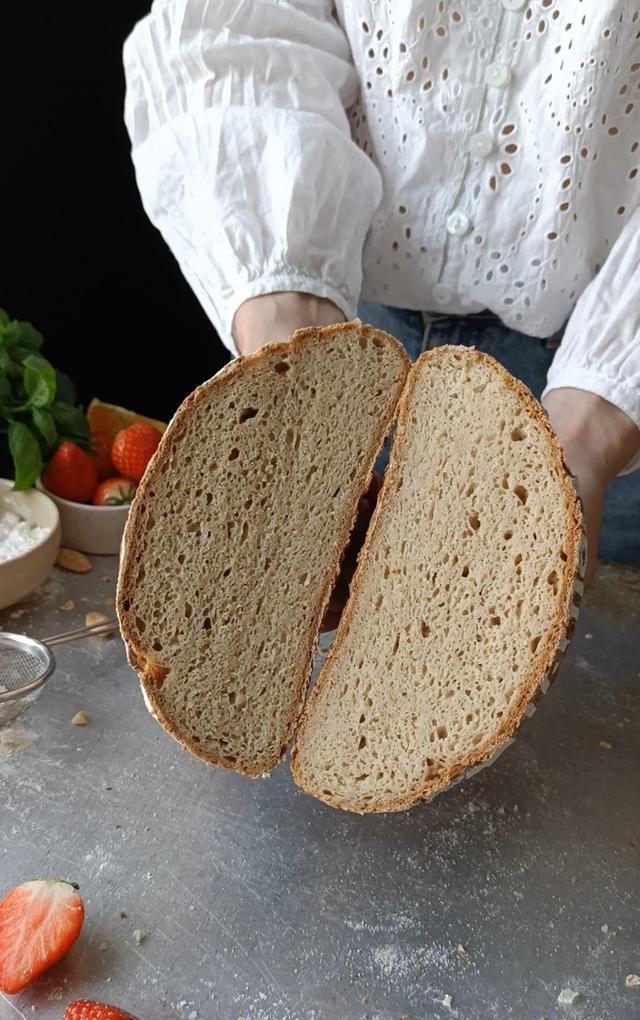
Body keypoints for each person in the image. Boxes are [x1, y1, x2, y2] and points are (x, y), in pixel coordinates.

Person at [122, 0, 640, 583]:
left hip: (605, 389)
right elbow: (239, 30)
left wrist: (592, 427)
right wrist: (294, 350)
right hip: (350, 331)